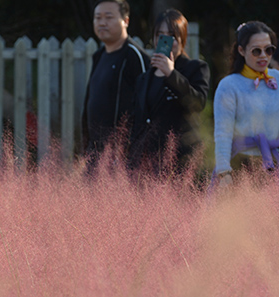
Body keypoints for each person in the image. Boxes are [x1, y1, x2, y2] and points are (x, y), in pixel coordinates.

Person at [213, 21, 279, 187]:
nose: (263, 55)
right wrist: (224, 172)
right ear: (241, 50)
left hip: (274, 164)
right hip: (239, 164)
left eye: (269, 50)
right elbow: (222, 133)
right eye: (256, 51)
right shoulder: (228, 85)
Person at [128, 8, 209, 173]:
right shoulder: (143, 79)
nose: (166, 40)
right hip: (146, 165)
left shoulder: (196, 68)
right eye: (160, 35)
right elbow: (135, 122)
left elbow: (197, 103)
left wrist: (171, 74)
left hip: (180, 163)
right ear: (154, 39)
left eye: (172, 35)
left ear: (182, 39)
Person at [82, 0, 149, 165]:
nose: (102, 23)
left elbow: (146, 106)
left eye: (109, 17)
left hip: (123, 156)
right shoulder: (98, 56)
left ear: (126, 21)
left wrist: (131, 151)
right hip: (95, 154)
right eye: (98, 18)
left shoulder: (134, 56)